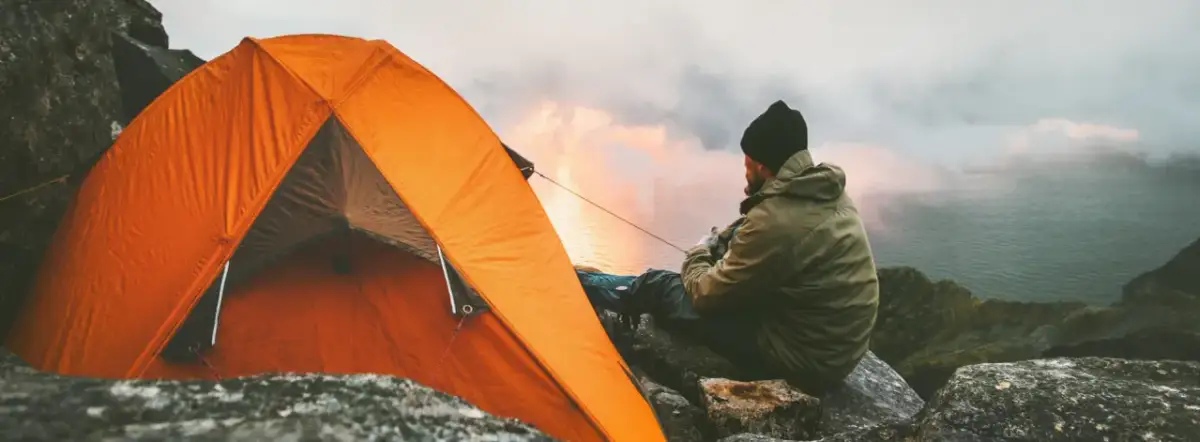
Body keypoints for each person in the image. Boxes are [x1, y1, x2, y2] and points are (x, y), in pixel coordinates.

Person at [576, 100, 879, 395]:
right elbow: (763, 236)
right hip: (834, 350)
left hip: (803, 360)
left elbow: (706, 294)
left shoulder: (777, 220)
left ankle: (579, 284)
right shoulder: (824, 191)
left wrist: (698, 252)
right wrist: (721, 244)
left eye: (747, 162)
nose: (744, 170)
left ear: (762, 166)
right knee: (711, 270)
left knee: (659, 285)